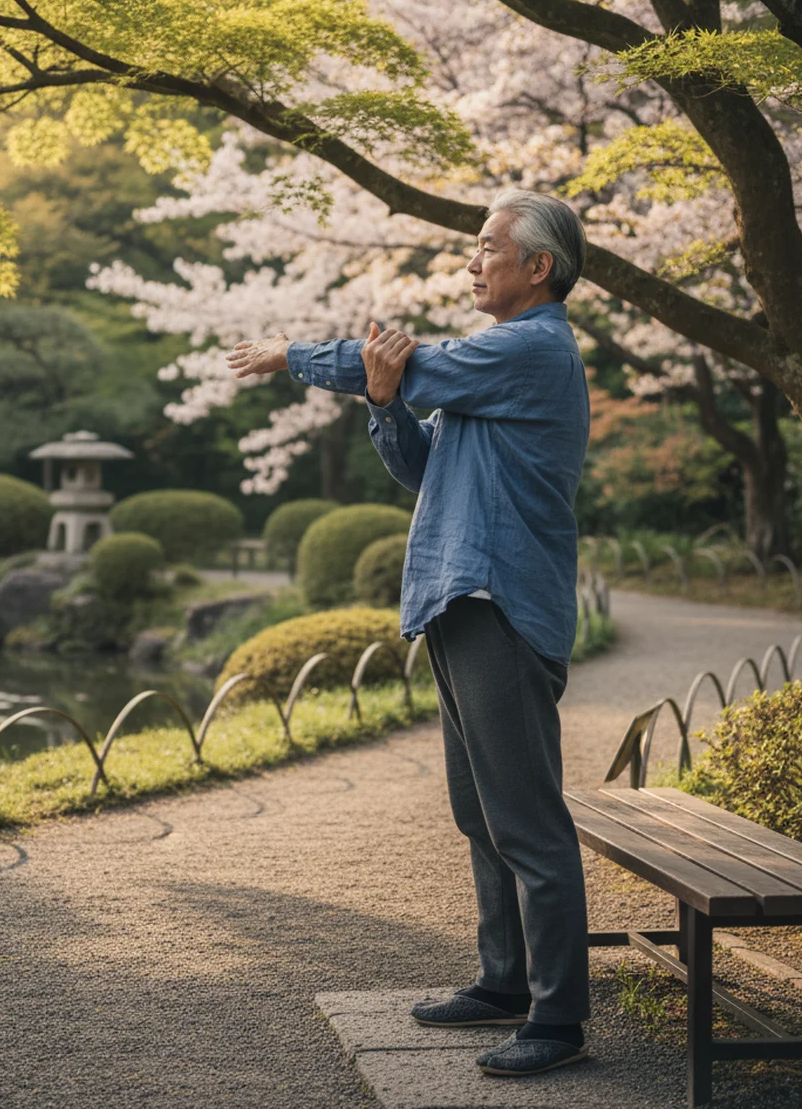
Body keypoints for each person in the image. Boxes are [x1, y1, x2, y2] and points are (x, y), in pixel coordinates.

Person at [226, 189, 592, 1078]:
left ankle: (559, 1019)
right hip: (459, 603)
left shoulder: (529, 349)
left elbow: (418, 366)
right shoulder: (491, 364)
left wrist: (293, 356)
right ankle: (504, 983)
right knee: (480, 813)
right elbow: (418, 465)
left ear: (537, 268)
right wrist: (383, 401)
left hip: (499, 602)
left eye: (486, 248)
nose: (470, 263)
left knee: (527, 822)